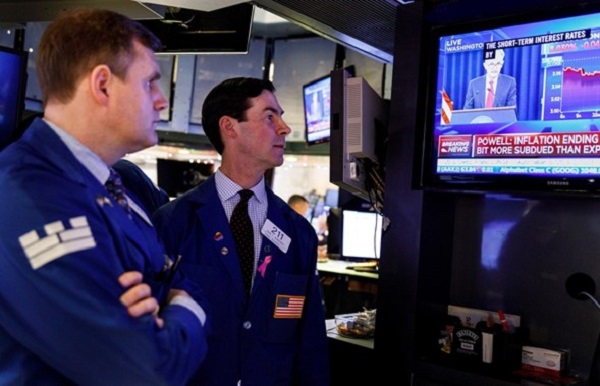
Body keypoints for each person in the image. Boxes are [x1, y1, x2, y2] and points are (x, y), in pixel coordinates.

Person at [0, 8, 209, 385]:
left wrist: (164, 302)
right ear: (102, 85)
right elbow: (145, 369)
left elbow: (170, 275)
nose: (162, 101)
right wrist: (187, 305)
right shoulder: (27, 195)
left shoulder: (108, 185)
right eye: (149, 83)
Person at [153, 77, 330, 386]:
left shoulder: (298, 232)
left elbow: (310, 342)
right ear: (230, 126)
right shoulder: (174, 222)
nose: (284, 128)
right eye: (269, 117)